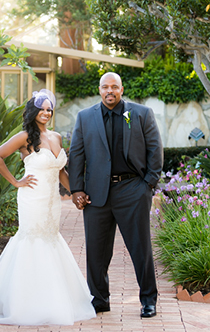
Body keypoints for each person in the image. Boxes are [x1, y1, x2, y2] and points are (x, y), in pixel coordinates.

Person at [0, 90, 96, 325]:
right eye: (42, 109)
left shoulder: (56, 137)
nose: (46, 113)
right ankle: (26, 302)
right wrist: (16, 182)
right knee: (33, 240)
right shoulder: (25, 137)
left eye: (49, 109)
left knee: (51, 239)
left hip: (52, 200)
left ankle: (52, 298)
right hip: (31, 198)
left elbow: (60, 171)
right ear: (33, 111)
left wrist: (75, 193)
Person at [68, 72, 163, 318]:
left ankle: (148, 300)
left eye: (114, 87)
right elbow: (76, 154)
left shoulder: (141, 114)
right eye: (105, 87)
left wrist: (148, 185)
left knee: (140, 248)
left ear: (122, 89)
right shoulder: (85, 117)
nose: (109, 91)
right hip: (95, 195)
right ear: (99, 90)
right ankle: (99, 300)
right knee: (96, 251)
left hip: (132, 190)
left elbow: (155, 149)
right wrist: (76, 189)